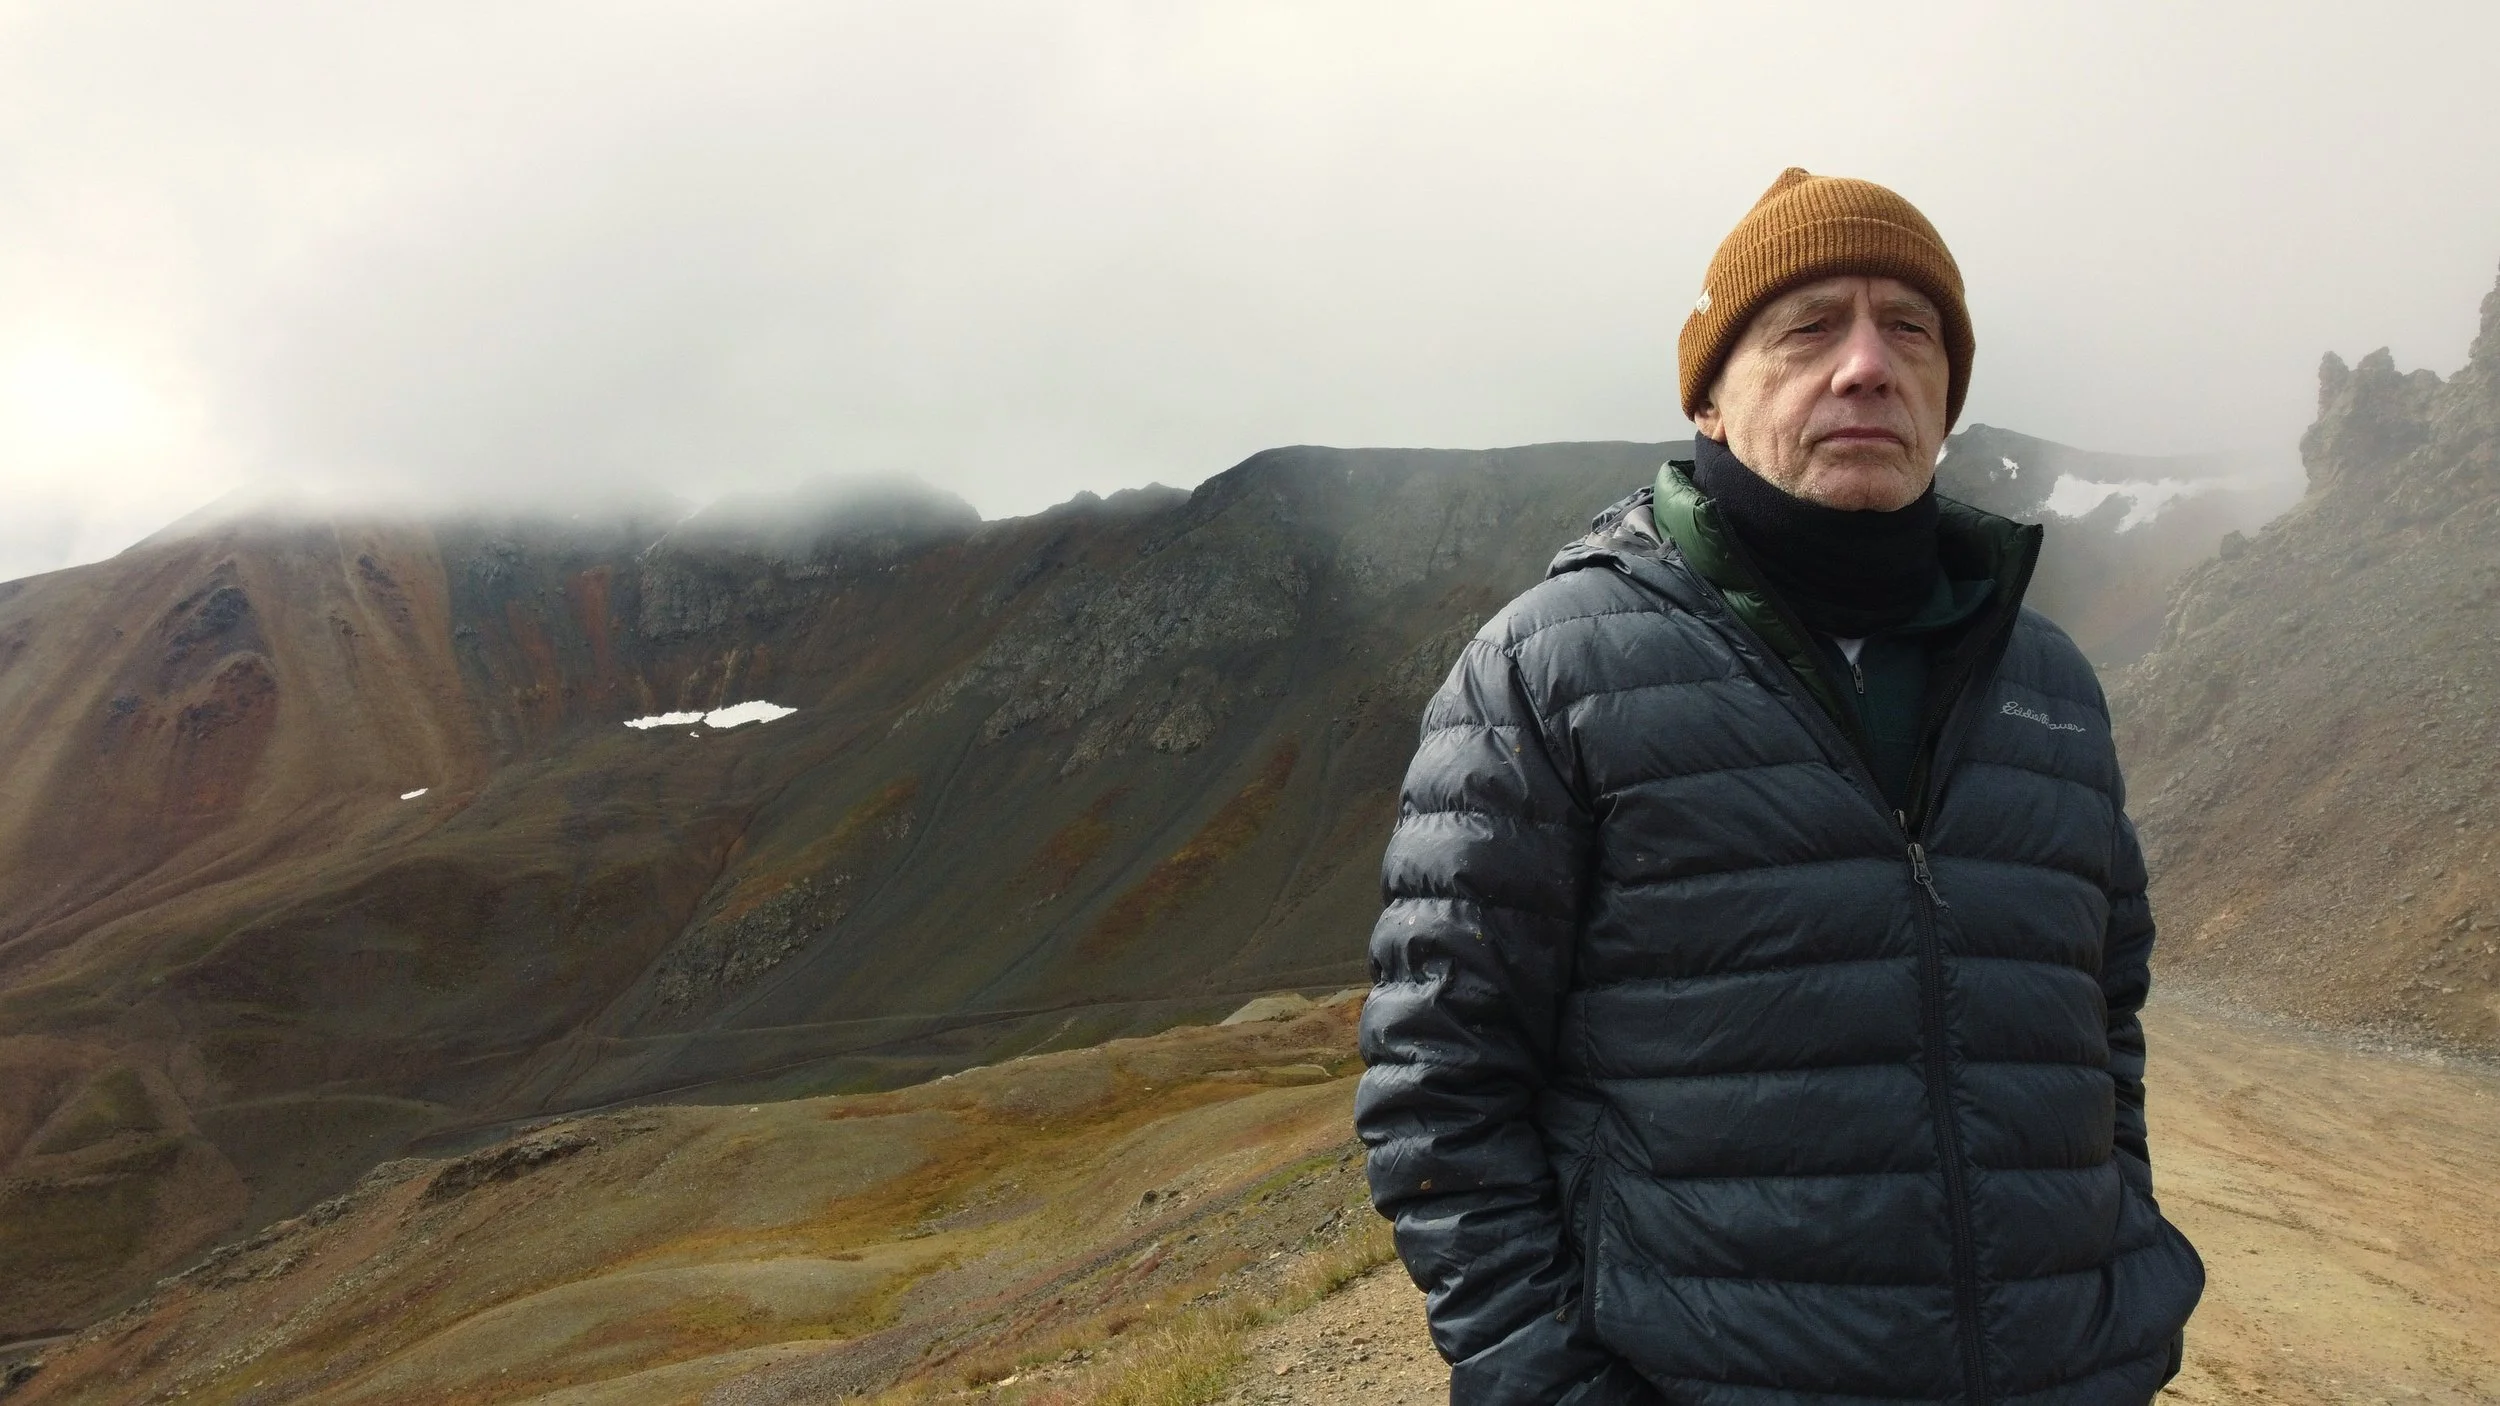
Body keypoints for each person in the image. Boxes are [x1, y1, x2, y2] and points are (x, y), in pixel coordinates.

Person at [1353, 168, 2204, 1405]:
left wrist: (2113, 1296)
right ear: (1707, 391)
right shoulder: (1551, 666)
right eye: (1807, 327)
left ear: (1948, 393)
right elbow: (1439, 1081)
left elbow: (2097, 1031)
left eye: (1909, 329)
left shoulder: (2047, 679)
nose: (1866, 364)